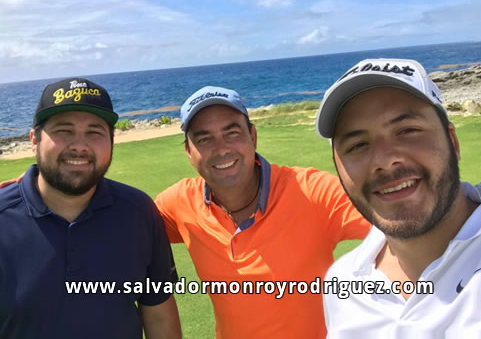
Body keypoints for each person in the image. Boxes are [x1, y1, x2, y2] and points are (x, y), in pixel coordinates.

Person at [155, 86, 372, 338]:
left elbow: (403, 226)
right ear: (189, 153)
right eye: (204, 139)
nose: (221, 149)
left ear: (253, 137)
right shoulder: (178, 204)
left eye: (232, 132)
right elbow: (125, 230)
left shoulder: (312, 191)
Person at [316, 58, 481, 337]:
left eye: (407, 130)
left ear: (453, 142)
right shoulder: (342, 282)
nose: (385, 160)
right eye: (357, 145)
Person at [0, 78, 181, 339]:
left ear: (111, 142)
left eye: (95, 132)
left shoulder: (139, 212)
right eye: (64, 130)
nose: (80, 145)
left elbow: (159, 314)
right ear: (34, 140)